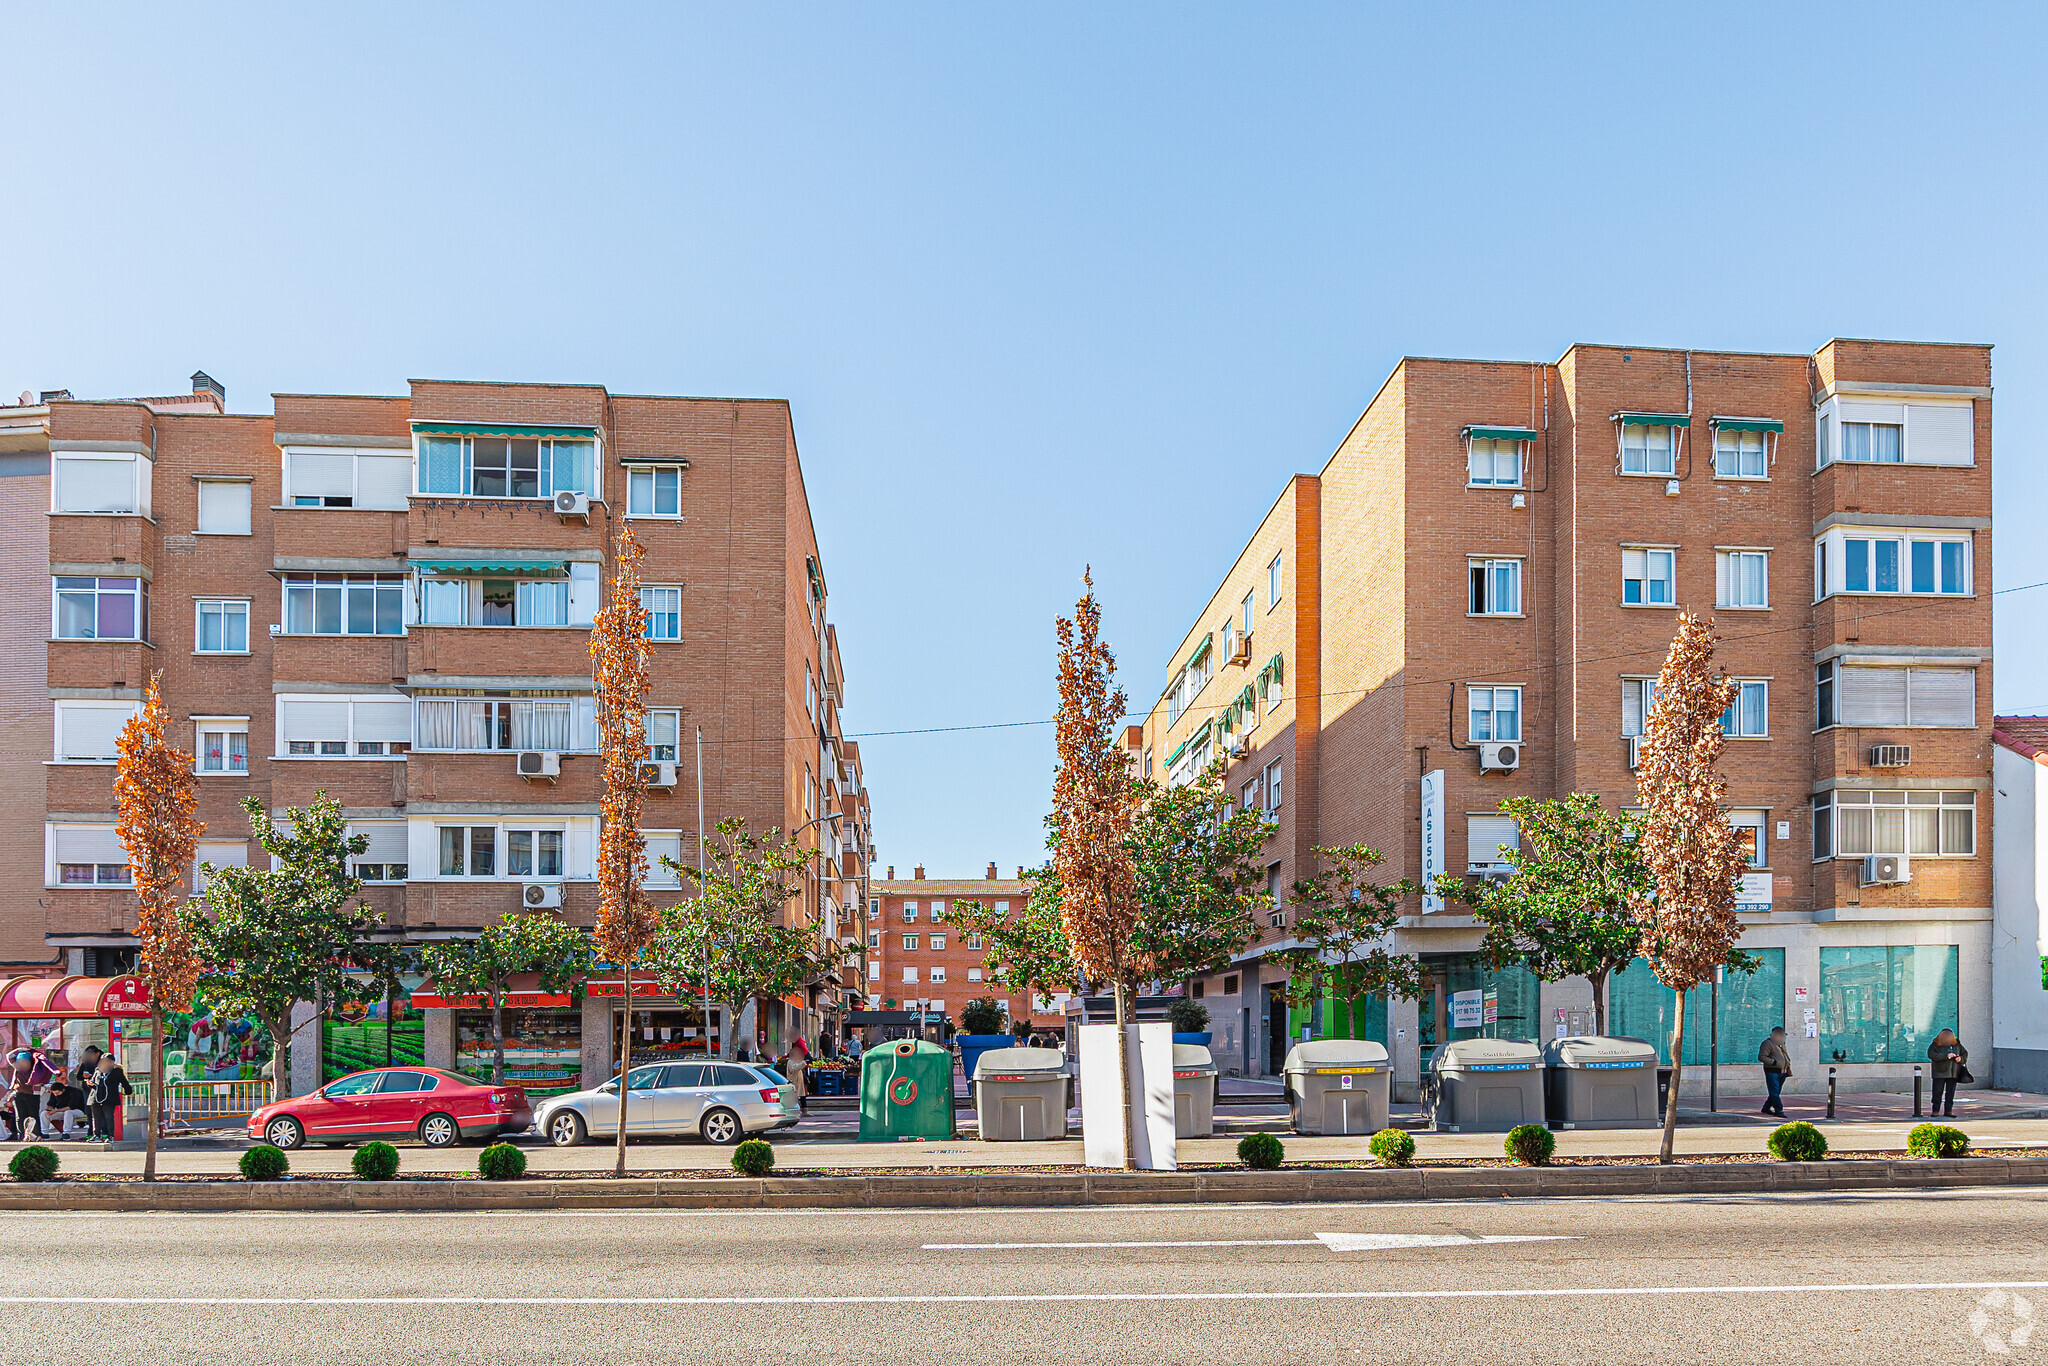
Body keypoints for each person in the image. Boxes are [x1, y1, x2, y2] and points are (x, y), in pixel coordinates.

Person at [6, 1050, 55, 1140]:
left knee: (33, 1116)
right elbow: (9, 1055)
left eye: (24, 1061)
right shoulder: (16, 1067)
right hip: (19, 1094)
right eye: (20, 1061)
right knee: (20, 1117)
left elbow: (40, 1080)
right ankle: (22, 1136)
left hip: (32, 1095)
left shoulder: (36, 1069)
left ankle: (36, 1135)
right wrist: (22, 1049)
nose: (22, 1063)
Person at [88, 1052, 131, 1141]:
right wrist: (90, 1084)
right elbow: (94, 1083)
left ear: (112, 1062)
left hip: (109, 1098)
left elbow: (124, 1082)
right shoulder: (98, 1070)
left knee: (109, 1117)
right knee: (96, 1118)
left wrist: (128, 1091)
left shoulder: (116, 1071)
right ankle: (96, 1135)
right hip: (96, 1097)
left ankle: (110, 1136)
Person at [1929, 1028, 1969, 1117]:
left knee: (1950, 1092)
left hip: (1953, 1072)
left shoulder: (1956, 1044)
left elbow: (1964, 1053)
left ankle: (1948, 1110)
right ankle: (1935, 1110)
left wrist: (1960, 1059)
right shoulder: (1936, 1044)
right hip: (1939, 1072)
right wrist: (1946, 1056)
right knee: (1937, 1092)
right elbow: (1931, 1054)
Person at [1758, 1026, 1792, 1118]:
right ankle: (1779, 1110)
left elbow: (1785, 1055)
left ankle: (1766, 1107)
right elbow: (1762, 1057)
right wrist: (1773, 1062)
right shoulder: (1767, 1043)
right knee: (1774, 1092)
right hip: (1772, 1071)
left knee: (1775, 1092)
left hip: (1783, 1072)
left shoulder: (1781, 1044)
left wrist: (1788, 1065)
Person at [43, 1074, 88, 1139]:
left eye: (57, 1093)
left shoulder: (74, 1092)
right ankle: (45, 1133)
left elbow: (71, 1107)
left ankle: (66, 1133)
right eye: (54, 1093)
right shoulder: (54, 1093)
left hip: (78, 1111)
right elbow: (51, 1102)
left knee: (68, 1112)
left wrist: (56, 1110)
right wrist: (50, 1108)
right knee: (44, 1113)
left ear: (63, 1090)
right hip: (62, 1111)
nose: (56, 1095)